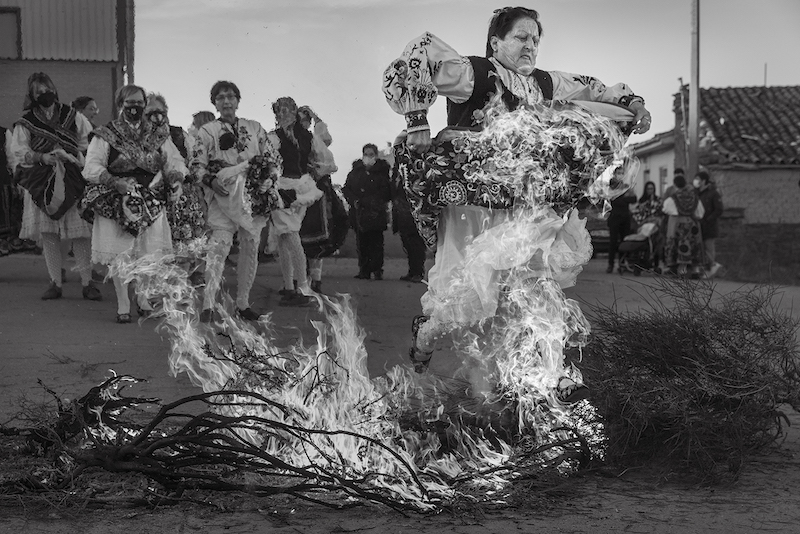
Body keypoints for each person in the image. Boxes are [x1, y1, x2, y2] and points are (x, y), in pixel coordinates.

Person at [382, 7, 651, 404]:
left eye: (535, 39)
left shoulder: (545, 82)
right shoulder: (473, 73)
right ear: (497, 43)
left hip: (524, 206)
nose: (530, 46)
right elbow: (418, 54)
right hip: (470, 208)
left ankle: (556, 371)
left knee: (537, 279)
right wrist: (416, 118)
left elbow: (595, 89)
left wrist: (634, 105)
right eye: (521, 37)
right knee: (462, 298)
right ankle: (425, 335)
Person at [81, 85, 188, 323]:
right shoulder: (106, 134)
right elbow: (91, 167)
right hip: (117, 200)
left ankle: (142, 299)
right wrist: (113, 181)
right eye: (130, 103)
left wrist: (176, 179)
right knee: (121, 255)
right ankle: (123, 304)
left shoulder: (158, 134)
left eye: (140, 103)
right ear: (121, 105)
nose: (135, 108)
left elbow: (174, 161)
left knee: (147, 254)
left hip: (151, 200)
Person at [192, 81, 281, 321]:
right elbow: (196, 165)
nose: (226, 101)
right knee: (219, 247)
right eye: (220, 98)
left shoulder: (255, 128)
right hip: (223, 193)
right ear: (215, 103)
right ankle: (208, 305)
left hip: (252, 195)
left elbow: (273, 159)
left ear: (238, 100)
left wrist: (269, 180)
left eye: (231, 96)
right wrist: (211, 181)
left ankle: (242, 303)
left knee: (250, 246)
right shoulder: (208, 131)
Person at [9, 72, 101, 301]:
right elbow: (18, 151)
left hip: (71, 179)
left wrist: (72, 156)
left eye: (47, 89)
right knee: (49, 234)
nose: (44, 95)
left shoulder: (73, 116)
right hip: (42, 182)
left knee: (80, 234)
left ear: (54, 89)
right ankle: (55, 282)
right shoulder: (26, 122)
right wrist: (42, 157)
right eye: (38, 92)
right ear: (31, 95)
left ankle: (88, 283)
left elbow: (88, 143)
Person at [267, 97, 323, 305]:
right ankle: (290, 286)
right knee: (284, 236)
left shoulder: (276, 137)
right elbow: (323, 160)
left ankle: (302, 288)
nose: (282, 114)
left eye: (285, 110)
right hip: (301, 186)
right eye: (279, 111)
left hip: (285, 187)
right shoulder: (306, 136)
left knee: (290, 235)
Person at [297, 105, 348, 293]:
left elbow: (326, 139)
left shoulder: (314, 139)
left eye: (305, 120)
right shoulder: (289, 139)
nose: (303, 123)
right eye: (301, 119)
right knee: (297, 237)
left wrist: (316, 118)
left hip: (318, 192)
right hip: (298, 191)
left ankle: (316, 280)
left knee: (317, 236)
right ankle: (298, 279)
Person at [342, 143, 392, 280]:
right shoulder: (355, 172)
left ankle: (377, 269)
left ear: (375, 155)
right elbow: (347, 189)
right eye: (366, 154)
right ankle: (364, 270)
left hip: (376, 213)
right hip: (359, 214)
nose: (368, 157)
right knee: (362, 243)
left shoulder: (382, 173)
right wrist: (355, 201)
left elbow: (386, 191)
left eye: (371, 154)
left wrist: (372, 202)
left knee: (376, 243)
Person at [390, 134, 426, 283]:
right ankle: (413, 271)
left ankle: (418, 272)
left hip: (413, 211)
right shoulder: (397, 167)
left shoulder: (417, 163)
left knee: (416, 244)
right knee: (408, 244)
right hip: (401, 212)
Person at [662, 173, 704, 277]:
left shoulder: (673, 198)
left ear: (675, 185)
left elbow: (666, 209)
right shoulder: (694, 197)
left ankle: (681, 270)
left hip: (677, 224)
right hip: (691, 223)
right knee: (693, 245)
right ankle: (695, 270)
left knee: (678, 244)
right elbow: (700, 213)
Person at [606, 170, 637, 274]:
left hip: (625, 218)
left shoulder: (626, 187)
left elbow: (634, 199)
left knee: (624, 241)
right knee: (613, 242)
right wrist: (624, 199)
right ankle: (610, 264)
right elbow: (613, 200)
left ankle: (622, 263)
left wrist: (622, 199)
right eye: (618, 173)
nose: (620, 175)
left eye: (621, 173)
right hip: (615, 218)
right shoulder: (611, 186)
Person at [694, 170, 723, 278]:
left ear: (704, 181)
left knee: (708, 248)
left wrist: (709, 219)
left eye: (698, 179)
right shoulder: (696, 193)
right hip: (698, 225)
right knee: (700, 249)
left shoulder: (713, 193)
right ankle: (705, 269)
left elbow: (719, 209)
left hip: (709, 225)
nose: (696, 182)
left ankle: (713, 266)